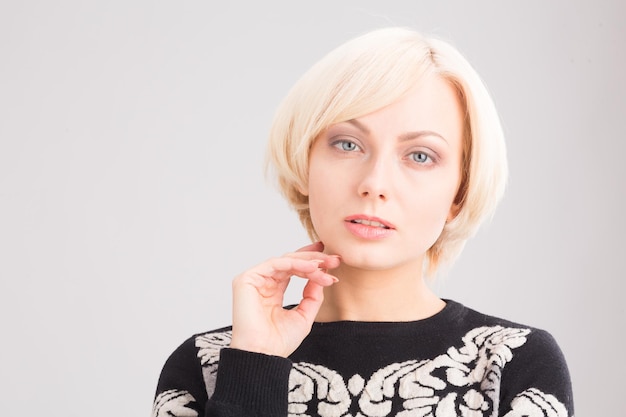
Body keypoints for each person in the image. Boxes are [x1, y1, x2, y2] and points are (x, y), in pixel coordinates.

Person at [151, 27, 574, 417]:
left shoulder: (512, 364)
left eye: (420, 155)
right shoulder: (207, 364)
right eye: (347, 144)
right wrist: (254, 364)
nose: (374, 184)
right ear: (305, 163)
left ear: (459, 195)